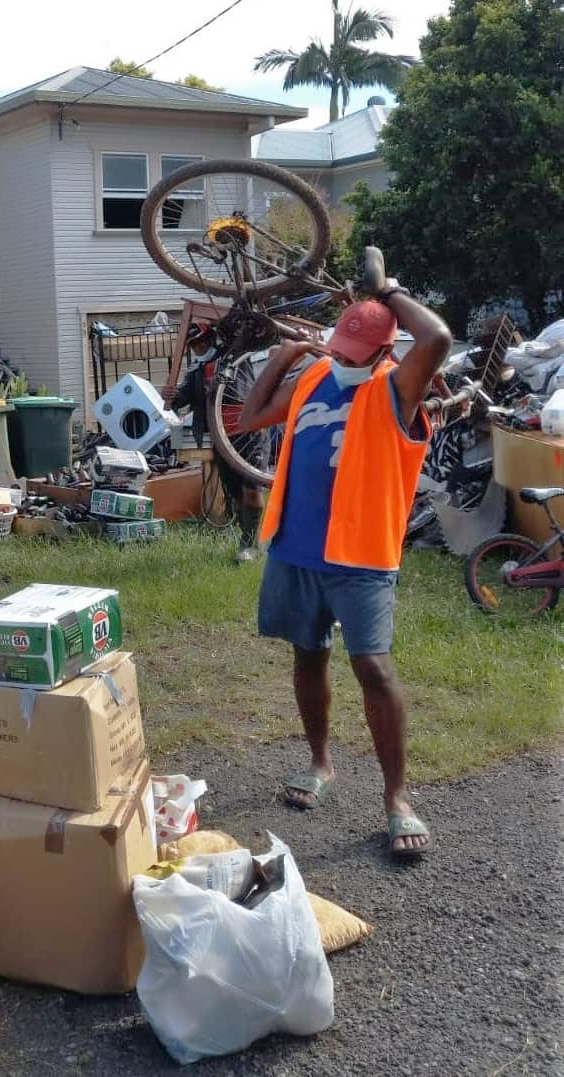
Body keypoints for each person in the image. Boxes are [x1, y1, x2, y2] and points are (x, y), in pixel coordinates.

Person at [239, 281, 451, 859]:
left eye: (356, 352)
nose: (342, 358)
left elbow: (436, 336)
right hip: (296, 549)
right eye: (338, 347)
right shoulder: (313, 377)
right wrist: (286, 356)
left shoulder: (397, 388)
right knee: (308, 655)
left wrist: (394, 292)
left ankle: (397, 798)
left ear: (384, 352)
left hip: (360, 558)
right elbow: (250, 417)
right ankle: (320, 764)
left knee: (374, 670)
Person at [164, 321, 264, 561]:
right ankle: (248, 540)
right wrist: (170, 396)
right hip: (220, 437)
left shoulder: (233, 355)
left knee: (252, 488)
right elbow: (178, 401)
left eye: (202, 341)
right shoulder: (196, 372)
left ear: (212, 338)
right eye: (193, 345)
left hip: (248, 431)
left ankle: (250, 544)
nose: (199, 347)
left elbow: (241, 331)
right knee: (236, 494)